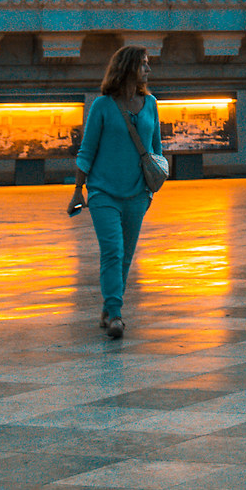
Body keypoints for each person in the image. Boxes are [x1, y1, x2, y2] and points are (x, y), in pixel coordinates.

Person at [74, 44, 161, 339]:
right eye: (144, 64)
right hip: (102, 192)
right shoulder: (102, 106)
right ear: (128, 67)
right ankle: (116, 315)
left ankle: (110, 306)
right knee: (112, 251)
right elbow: (87, 151)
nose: (148, 70)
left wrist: (152, 190)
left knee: (125, 256)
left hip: (138, 193)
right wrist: (77, 190)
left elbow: (156, 150)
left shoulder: (151, 104)